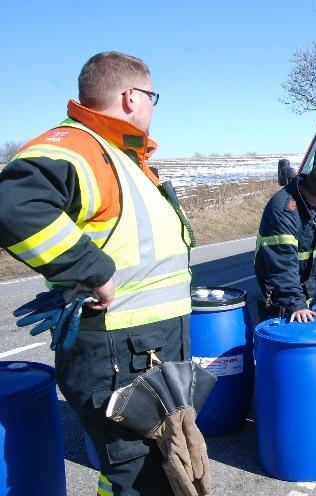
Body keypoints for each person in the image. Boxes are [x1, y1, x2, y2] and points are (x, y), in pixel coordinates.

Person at [0, 52, 194, 495]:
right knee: (141, 474)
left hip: (142, 346)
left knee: (143, 470)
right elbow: (13, 206)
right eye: (152, 96)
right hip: (120, 349)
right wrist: (90, 269)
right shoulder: (83, 146)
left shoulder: (118, 155)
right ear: (130, 97)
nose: (152, 108)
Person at [255, 162, 316, 322]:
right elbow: (282, 265)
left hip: (306, 276)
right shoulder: (283, 212)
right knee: (284, 326)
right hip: (279, 284)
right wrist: (296, 304)